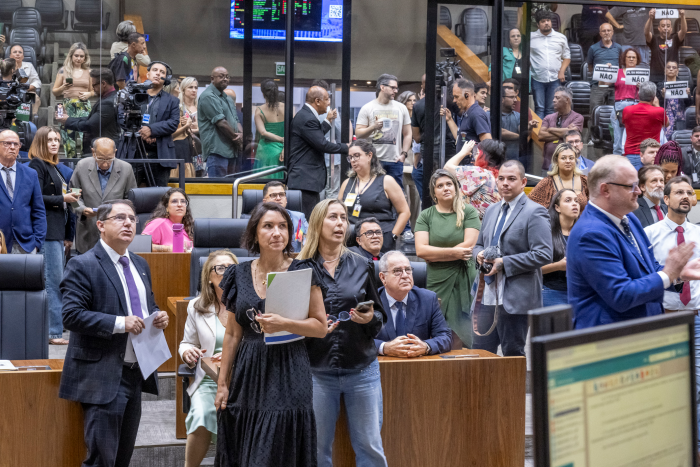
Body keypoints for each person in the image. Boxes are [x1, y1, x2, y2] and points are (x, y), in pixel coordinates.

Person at [213, 202, 335, 467]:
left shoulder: (303, 271)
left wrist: (285, 323)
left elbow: (320, 327)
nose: (276, 233)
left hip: (289, 369)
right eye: (268, 226)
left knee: (275, 449)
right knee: (246, 445)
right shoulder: (239, 273)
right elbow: (233, 334)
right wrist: (223, 384)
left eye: (283, 227)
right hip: (249, 371)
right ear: (255, 233)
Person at [59, 199, 169, 467]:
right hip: (103, 375)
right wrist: (121, 323)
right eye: (120, 218)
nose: (129, 223)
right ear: (101, 225)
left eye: (132, 219)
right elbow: (71, 315)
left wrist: (158, 316)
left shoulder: (141, 265)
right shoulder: (83, 265)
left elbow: (145, 307)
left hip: (135, 372)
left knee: (122, 458)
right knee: (102, 461)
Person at [295, 199, 387, 467]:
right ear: (317, 223)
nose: (340, 223)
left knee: (370, 445)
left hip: (362, 369)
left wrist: (369, 318)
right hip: (316, 371)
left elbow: (380, 317)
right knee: (317, 448)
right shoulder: (300, 267)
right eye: (332, 217)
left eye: (343, 218)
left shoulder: (362, 264)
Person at [567, 155, 700, 329]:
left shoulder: (629, 218)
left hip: (640, 333)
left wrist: (679, 273)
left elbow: (649, 269)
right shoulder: (591, 233)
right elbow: (621, 295)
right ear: (605, 190)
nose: (639, 191)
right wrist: (668, 274)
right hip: (609, 340)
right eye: (631, 186)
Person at [643, 175, 700, 450]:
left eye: (690, 192)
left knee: (697, 386)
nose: (686, 196)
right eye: (679, 192)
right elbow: (644, 276)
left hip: (696, 319)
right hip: (663, 318)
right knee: (665, 385)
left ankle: (695, 448)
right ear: (666, 199)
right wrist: (675, 275)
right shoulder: (649, 235)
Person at [473, 160, 553, 356]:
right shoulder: (491, 210)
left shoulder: (535, 211)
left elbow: (544, 253)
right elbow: (478, 245)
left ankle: (513, 390)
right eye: (501, 179)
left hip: (515, 299)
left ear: (523, 182)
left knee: (512, 355)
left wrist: (504, 263)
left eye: (511, 179)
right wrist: (479, 255)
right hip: (486, 296)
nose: (505, 183)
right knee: (480, 355)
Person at [179, 250, 238, 467]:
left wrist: (235, 353)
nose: (226, 272)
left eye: (231, 268)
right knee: (202, 414)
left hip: (243, 378)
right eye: (220, 268)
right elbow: (187, 342)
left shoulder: (249, 304)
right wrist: (187, 352)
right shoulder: (196, 306)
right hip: (209, 380)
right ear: (209, 276)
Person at [415, 169, 480, 345]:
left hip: (463, 278)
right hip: (436, 278)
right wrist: (454, 253)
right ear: (434, 192)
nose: (445, 188)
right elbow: (421, 251)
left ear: (456, 187)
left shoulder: (469, 212)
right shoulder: (426, 215)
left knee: (460, 330)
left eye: (449, 184)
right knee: (434, 327)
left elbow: (468, 246)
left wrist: (435, 254)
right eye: (440, 186)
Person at [27, 127, 75, 345]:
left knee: (57, 281)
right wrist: (63, 199)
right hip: (45, 232)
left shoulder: (54, 167)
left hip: (57, 231)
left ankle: (54, 329)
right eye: (49, 140)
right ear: (40, 143)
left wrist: (68, 234)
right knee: (52, 283)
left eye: (57, 139)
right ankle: (52, 332)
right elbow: (35, 198)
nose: (55, 144)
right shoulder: (37, 164)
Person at [355, 74, 413, 242]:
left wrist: (403, 154)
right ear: (382, 87)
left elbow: (407, 133)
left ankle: (405, 229)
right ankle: (370, 228)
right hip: (373, 161)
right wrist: (373, 126)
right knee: (371, 194)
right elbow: (358, 132)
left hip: (394, 160)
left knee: (399, 195)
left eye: (396, 87)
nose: (396, 90)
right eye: (393, 87)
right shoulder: (368, 108)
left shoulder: (401, 108)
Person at [375, 250, 452, 356]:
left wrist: (426, 346)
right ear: (383, 277)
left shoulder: (428, 299)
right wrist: (384, 347)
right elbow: (356, 341)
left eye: (408, 270)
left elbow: (445, 337)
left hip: (418, 365)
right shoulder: (371, 302)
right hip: (381, 368)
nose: (405, 275)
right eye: (397, 271)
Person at [288, 86, 349, 219]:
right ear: (317, 101)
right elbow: (322, 144)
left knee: (309, 218)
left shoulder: (306, 115)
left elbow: (315, 137)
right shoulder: (307, 118)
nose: (328, 103)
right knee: (306, 220)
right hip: (305, 180)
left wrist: (327, 121)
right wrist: (347, 148)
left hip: (305, 180)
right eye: (327, 99)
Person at [338, 140, 410, 252]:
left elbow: (405, 212)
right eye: (350, 157)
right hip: (352, 240)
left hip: (380, 240)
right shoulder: (347, 183)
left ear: (369, 156)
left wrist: (393, 236)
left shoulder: (386, 181)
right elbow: (339, 213)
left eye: (357, 156)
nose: (353, 160)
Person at [69, 138, 137, 254]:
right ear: (93, 152)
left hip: (116, 232)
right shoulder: (82, 166)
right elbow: (73, 198)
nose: (105, 163)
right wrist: (82, 209)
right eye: (100, 159)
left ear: (115, 152)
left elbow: (132, 200)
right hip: (88, 231)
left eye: (109, 159)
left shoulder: (126, 169)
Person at [120, 61, 180, 187]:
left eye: (162, 72)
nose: (158, 73)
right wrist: (141, 132)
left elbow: (173, 123)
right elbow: (121, 118)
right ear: (148, 74)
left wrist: (151, 130)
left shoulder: (173, 101)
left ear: (166, 79)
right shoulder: (132, 96)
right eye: (155, 70)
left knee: (159, 197)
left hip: (160, 155)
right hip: (134, 151)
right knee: (130, 193)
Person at [0, 130, 45, 254]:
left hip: (25, 244)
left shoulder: (30, 174)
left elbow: (39, 210)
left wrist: (37, 243)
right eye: (7, 143)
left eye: (16, 144)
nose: (12, 147)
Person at [55, 68, 120, 152]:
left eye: (94, 85)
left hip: (103, 149)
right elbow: (91, 119)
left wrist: (67, 121)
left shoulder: (108, 102)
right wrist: (68, 119)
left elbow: (90, 125)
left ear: (103, 83)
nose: (93, 89)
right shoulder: (109, 97)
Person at [52, 42, 94, 158]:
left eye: (81, 56)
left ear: (85, 58)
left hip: (84, 106)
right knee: (69, 139)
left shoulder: (89, 72)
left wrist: (88, 94)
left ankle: (84, 163)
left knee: (85, 137)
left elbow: (93, 91)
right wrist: (63, 88)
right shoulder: (63, 70)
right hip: (68, 106)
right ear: (71, 56)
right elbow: (54, 91)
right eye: (76, 55)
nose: (79, 58)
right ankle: (71, 166)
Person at [445, 139, 503, 219]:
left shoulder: (481, 173)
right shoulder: (498, 176)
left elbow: (447, 168)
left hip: (474, 227)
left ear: (484, 157)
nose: (474, 157)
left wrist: (463, 152)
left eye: (477, 154)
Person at [541, 189, 580, 307]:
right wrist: (558, 266)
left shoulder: (582, 232)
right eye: (568, 200)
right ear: (557, 208)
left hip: (578, 292)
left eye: (576, 201)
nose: (574, 204)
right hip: (552, 291)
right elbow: (531, 268)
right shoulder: (546, 231)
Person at [246, 181, 308, 253]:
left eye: (281, 194)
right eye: (273, 195)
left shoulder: (299, 218)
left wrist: (302, 239)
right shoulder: (258, 219)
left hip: (294, 259)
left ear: (286, 200)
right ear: (265, 201)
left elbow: (306, 241)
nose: (278, 198)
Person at [530, 9, 571, 118]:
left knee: (551, 108)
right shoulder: (530, 37)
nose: (546, 23)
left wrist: (562, 71)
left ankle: (548, 133)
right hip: (537, 78)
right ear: (538, 24)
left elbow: (567, 57)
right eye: (543, 21)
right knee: (539, 108)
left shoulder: (560, 38)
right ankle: (539, 134)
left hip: (555, 79)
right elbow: (524, 55)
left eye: (548, 20)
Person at [622, 82, 668, 170]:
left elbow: (624, 122)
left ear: (639, 95)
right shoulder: (659, 111)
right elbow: (667, 123)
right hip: (652, 155)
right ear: (654, 96)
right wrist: (657, 105)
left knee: (633, 183)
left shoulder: (627, 110)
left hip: (632, 154)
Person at [538, 87, 584, 175]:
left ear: (567, 100)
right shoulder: (548, 117)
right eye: (554, 97)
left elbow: (571, 135)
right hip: (548, 166)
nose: (553, 100)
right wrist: (565, 132)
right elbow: (541, 136)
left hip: (568, 166)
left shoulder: (578, 117)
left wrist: (550, 129)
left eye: (557, 98)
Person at [530, 143, 589, 209]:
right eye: (563, 158)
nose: (568, 161)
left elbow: (594, 207)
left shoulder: (585, 181)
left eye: (571, 158)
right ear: (556, 160)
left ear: (575, 160)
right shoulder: (547, 183)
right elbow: (529, 206)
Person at [443, 78, 492, 151]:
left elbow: (488, 145)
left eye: (456, 97)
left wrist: (475, 158)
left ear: (467, 95)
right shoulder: (467, 112)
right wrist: (449, 119)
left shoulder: (476, 114)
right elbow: (460, 138)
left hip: (471, 162)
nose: (454, 100)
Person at [396, 90, 421, 230]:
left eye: (414, 100)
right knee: (404, 193)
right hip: (402, 154)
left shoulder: (417, 117)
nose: (412, 103)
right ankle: (404, 226)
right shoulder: (400, 118)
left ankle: (415, 226)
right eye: (409, 100)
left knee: (416, 193)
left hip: (415, 155)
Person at [141, 187, 194, 252]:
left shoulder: (192, 227)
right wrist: (167, 249)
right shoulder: (159, 223)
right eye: (174, 201)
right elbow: (141, 245)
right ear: (166, 207)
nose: (180, 205)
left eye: (183, 201)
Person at [587, 23, 622, 115]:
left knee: (615, 114)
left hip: (615, 86)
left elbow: (621, 66)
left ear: (612, 32)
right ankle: (593, 130)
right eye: (604, 31)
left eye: (608, 30)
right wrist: (602, 71)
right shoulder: (593, 48)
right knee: (594, 111)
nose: (606, 33)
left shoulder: (619, 48)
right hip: (598, 86)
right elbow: (590, 66)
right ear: (600, 33)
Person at [611, 47, 642, 156]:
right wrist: (607, 70)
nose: (631, 59)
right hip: (620, 107)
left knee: (635, 139)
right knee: (618, 142)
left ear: (637, 59)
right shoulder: (617, 72)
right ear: (624, 59)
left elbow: (647, 93)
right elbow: (603, 84)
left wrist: (641, 86)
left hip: (637, 106)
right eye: (629, 57)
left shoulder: (642, 74)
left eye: (634, 57)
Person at [645, 8, 687, 83]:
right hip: (656, 77)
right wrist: (650, 19)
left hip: (671, 76)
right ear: (659, 28)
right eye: (663, 26)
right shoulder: (654, 39)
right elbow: (646, 33)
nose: (665, 28)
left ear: (671, 28)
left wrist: (682, 16)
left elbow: (683, 31)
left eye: (668, 26)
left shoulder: (675, 38)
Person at [254, 79, 284, 178]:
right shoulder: (286, 107)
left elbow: (262, 132)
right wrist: (285, 143)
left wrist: (280, 139)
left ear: (263, 93)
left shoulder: (259, 110)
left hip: (266, 151)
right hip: (283, 151)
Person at [657, 61, 692, 140]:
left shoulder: (684, 85)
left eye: (674, 67)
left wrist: (687, 95)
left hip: (680, 117)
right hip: (666, 117)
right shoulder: (660, 85)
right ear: (665, 70)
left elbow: (689, 104)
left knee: (680, 139)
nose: (671, 69)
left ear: (677, 71)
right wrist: (662, 96)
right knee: (666, 140)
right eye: (668, 67)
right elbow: (657, 104)